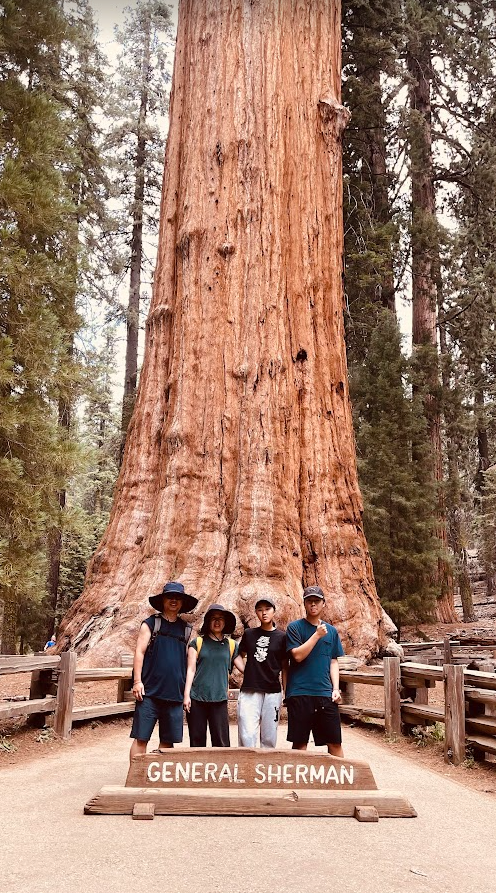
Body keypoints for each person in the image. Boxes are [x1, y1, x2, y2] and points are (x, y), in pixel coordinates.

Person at [129, 581, 198, 764]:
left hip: (174, 694)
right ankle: (135, 776)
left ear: (182, 602)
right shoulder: (151, 624)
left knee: (167, 741)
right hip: (149, 692)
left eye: (178, 598)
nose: (174, 601)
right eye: (170, 597)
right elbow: (139, 652)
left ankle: (160, 778)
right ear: (163, 600)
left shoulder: (186, 629)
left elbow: (189, 664)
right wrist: (137, 681)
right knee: (141, 737)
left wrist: (186, 694)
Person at [285, 585, 344, 757]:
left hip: (325, 693)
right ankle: (297, 782)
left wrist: (335, 688)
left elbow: (333, 661)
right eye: (309, 601)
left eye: (317, 601)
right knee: (300, 743)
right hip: (300, 692)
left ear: (323, 604)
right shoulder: (295, 628)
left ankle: (339, 782)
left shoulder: (331, 631)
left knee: (334, 742)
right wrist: (316, 635)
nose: (313, 604)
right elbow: (297, 656)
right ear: (304, 603)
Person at [183, 604, 244, 747]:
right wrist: (186, 696)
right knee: (197, 742)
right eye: (213, 618)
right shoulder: (197, 643)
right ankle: (198, 769)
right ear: (207, 622)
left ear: (225, 622)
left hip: (220, 699)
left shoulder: (231, 645)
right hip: (197, 698)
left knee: (221, 742)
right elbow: (190, 670)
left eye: (221, 618)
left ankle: (222, 770)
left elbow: (244, 668)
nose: (217, 622)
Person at [237, 597, 287, 748]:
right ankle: (246, 766)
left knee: (269, 735)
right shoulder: (249, 634)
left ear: (274, 611)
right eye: (259, 610)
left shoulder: (282, 637)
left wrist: (286, 691)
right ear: (256, 613)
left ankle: (266, 767)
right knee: (247, 733)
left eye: (267, 609)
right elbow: (239, 655)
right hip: (250, 689)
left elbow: (285, 666)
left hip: (272, 690)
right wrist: (247, 670)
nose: (264, 613)